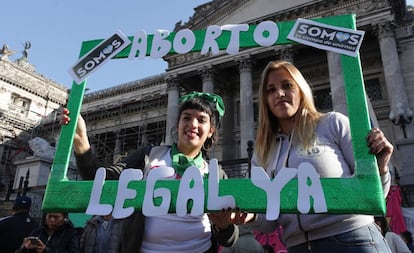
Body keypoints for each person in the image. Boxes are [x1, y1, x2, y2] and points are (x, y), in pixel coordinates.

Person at [61, 91, 239, 253]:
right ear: (177, 124)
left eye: (201, 120)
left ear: (211, 131)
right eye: (186, 118)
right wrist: (81, 141)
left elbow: (230, 238)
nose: (193, 124)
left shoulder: (215, 173)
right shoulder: (149, 156)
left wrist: (223, 226)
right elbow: (99, 181)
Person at [246, 60, 394, 252]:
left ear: (301, 89)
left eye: (287, 85)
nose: (279, 94)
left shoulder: (333, 124)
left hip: (352, 239)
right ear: (265, 99)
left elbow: (374, 196)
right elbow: (269, 222)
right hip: (298, 246)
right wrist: (249, 216)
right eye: (271, 90)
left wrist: (380, 169)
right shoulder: (262, 151)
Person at [16, 212, 80, 253]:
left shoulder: (71, 234)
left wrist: (45, 250)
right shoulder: (38, 232)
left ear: (64, 218)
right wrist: (25, 248)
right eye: (49, 216)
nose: (52, 220)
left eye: (56, 217)